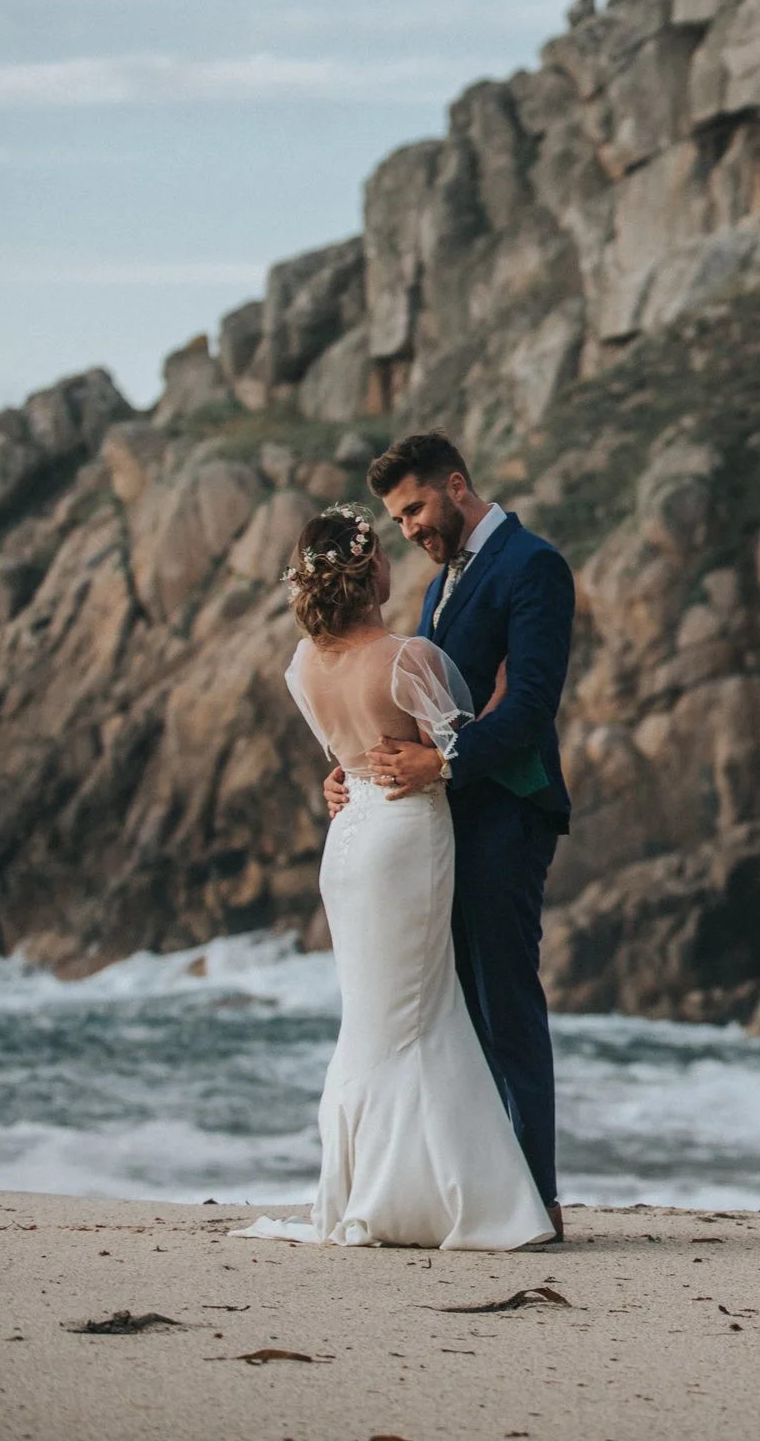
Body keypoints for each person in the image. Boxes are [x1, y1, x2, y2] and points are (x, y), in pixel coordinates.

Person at [235, 504, 553, 1250]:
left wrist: (339, 781)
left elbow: (343, 757)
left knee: (374, 1013)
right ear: (366, 569)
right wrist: (504, 696)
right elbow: (458, 749)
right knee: (421, 1007)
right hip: (404, 834)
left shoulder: (302, 665)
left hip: (346, 842)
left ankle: (363, 1184)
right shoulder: (408, 659)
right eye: (380, 547)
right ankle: (449, 1196)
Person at [326, 432, 577, 1243]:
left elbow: (530, 702)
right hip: (444, 828)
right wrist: (352, 776)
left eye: (416, 508)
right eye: (397, 519)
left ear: (457, 486)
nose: (410, 528)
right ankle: (475, 1191)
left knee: (505, 1005)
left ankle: (535, 1199)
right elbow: (413, 711)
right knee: (457, 1012)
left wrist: (444, 763)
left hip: (508, 813)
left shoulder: (533, 565)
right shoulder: (441, 587)